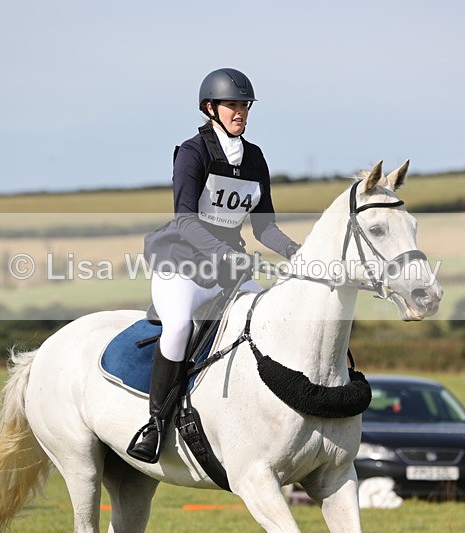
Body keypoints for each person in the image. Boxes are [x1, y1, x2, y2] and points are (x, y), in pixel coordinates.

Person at [127, 68, 301, 463]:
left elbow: (265, 227)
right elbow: (185, 219)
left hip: (229, 272)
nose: (240, 113)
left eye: (245, 106)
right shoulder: (193, 152)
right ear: (210, 108)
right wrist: (223, 254)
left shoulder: (255, 158)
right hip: (183, 264)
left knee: (270, 319)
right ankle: (154, 425)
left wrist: (299, 252)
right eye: (232, 105)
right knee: (178, 327)